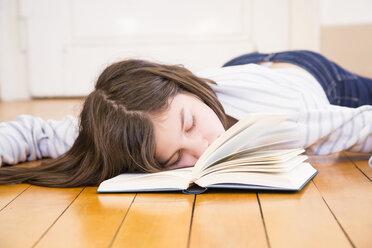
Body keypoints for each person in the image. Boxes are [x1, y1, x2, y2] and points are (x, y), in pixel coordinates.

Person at [0, 50, 371, 187]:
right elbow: (34, 133)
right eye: (174, 159)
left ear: (186, 86)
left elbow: (363, 125)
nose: (203, 148)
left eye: (190, 124)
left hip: (313, 76)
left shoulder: (289, 116)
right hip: (238, 71)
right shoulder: (127, 127)